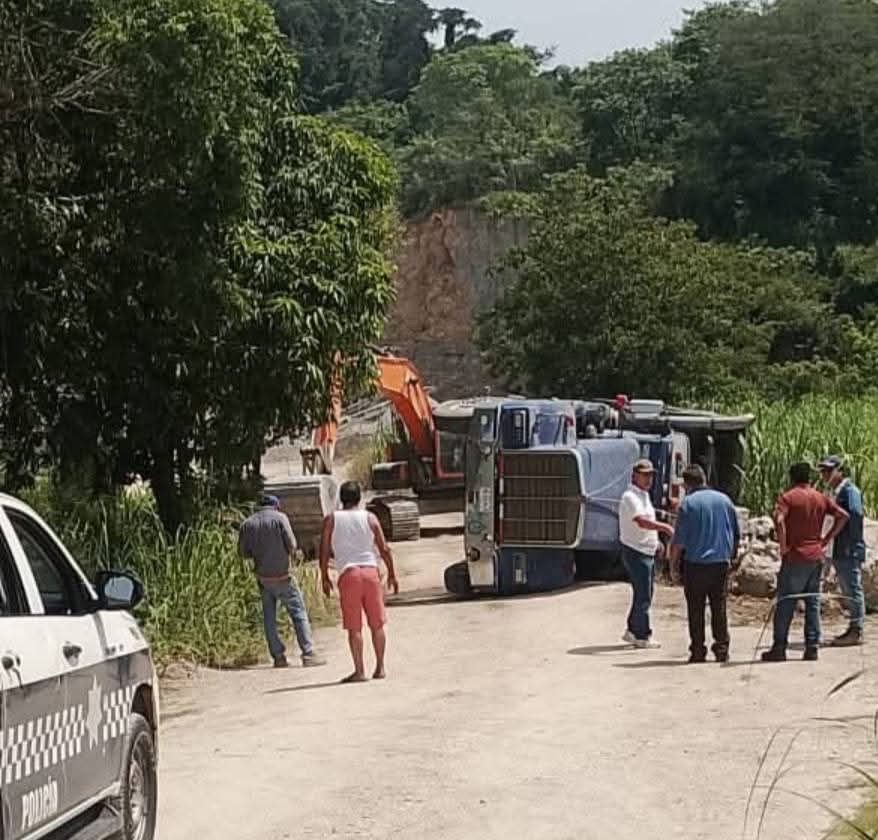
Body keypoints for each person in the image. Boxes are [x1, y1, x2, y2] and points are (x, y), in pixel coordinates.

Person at [762, 463, 849, 663]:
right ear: (809, 478)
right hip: (815, 555)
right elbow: (843, 516)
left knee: (786, 603)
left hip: (795, 556)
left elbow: (779, 519)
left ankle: (779, 647)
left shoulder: (788, 498)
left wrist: (783, 545)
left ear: (792, 478)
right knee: (813, 603)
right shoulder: (820, 497)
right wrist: (826, 539)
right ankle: (812, 648)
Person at [320, 481, 399, 683]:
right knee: (377, 624)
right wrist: (392, 573)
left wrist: (324, 575)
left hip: (349, 575)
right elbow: (384, 549)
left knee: (354, 627)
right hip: (371, 573)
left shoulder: (331, 519)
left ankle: (360, 671)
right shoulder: (370, 518)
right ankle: (380, 667)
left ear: (341, 498)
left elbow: (324, 550)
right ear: (359, 498)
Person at [239, 495, 327, 669]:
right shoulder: (280, 518)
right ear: (276, 506)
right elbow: (292, 544)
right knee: (298, 612)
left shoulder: (247, 524)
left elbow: (243, 553)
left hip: (263, 578)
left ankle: (278, 657)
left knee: (269, 617)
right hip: (283, 576)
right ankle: (308, 653)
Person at [669, 465, 740, 664]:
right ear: (704, 479)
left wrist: (673, 567)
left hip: (696, 564)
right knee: (719, 607)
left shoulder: (688, 504)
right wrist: (732, 558)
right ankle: (722, 649)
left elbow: (679, 541)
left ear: (686, 485)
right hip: (720, 563)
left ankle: (698, 650)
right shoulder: (725, 500)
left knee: (696, 609)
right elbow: (735, 533)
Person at [618, 459, 674, 649]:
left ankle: (633, 629)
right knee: (644, 595)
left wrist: (656, 541)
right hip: (636, 551)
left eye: (650, 475)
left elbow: (647, 522)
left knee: (644, 593)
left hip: (646, 549)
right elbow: (641, 521)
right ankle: (642, 635)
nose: (648, 479)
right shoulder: (630, 497)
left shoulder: (644, 496)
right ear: (634, 476)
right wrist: (665, 528)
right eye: (644, 475)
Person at [818, 455, 866, 647]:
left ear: (840, 471)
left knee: (852, 588)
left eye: (829, 470)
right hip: (838, 548)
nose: (825, 475)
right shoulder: (836, 492)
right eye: (823, 471)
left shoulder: (850, 491)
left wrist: (841, 537)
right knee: (847, 589)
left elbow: (853, 514)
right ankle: (853, 627)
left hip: (848, 548)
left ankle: (856, 630)